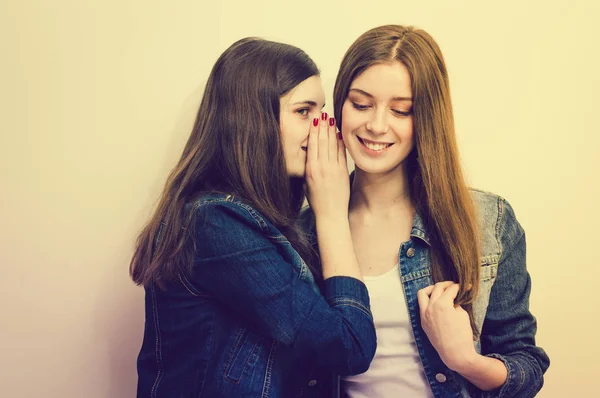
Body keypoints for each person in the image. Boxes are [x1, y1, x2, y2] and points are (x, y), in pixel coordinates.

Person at [301, 25, 549, 397]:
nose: (377, 125)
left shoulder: (488, 221)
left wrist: (464, 359)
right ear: (339, 105)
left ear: (427, 119)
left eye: (401, 110)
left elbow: (526, 369)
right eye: (361, 104)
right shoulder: (304, 226)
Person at [130, 37, 375, 398]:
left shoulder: (258, 220)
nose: (321, 130)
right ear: (252, 119)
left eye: (321, 112)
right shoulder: (213, 224)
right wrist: (332, 214)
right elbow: (348, 346)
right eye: (303, 111)